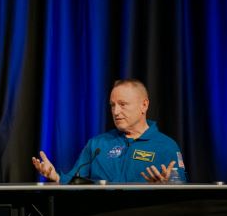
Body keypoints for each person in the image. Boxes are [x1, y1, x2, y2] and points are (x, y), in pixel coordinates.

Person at [32, 79, 187, 184]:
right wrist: (56, 177)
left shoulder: (166, 146)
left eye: (122, 104)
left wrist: (167, 186)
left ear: (144, 105)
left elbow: (181, 191)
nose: (116, 112)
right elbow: (74, 182)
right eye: (112, 105)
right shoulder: (97, 145)